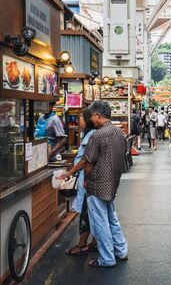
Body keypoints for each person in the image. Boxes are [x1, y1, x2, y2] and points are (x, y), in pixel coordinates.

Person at [78, 101, 128, 268]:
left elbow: (88, 162)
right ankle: (121, 250)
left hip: (97, 183)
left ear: (98, 116)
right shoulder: (119, 133)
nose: (91, 119)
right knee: (111, 218)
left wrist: (85, 180)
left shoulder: (97, 135)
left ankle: (107, 258)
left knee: (100, 222)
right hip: (112, 182)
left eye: (92, 116)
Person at [63, 108, 97, 255]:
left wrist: (70, 172)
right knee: (92, 211)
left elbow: (86, 160)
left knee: (86, 211)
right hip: (88, 178)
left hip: (87, 179)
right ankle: (95, 241)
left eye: (81, 118)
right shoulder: (89, 134)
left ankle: (82, 244)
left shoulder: (91, 135)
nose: (79, 121)